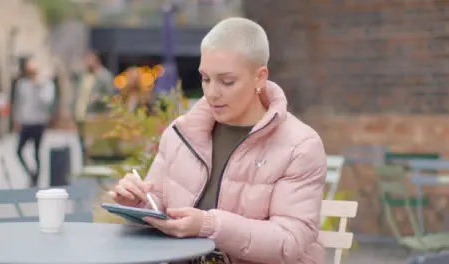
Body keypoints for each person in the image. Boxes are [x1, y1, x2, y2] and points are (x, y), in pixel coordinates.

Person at [109, 17, 327, 264]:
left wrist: (209, 225)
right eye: (205, 79)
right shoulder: (181, 133)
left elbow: (290, 242)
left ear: (260, 77)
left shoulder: (300, 146)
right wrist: (137, 201)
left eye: (227, 81)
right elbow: (159, 205)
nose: (212, 92)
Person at [12, 57, 55, 187]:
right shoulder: (22, 84)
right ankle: (30, 172)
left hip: (38, 122)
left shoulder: (45, 84)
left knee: (37, 152)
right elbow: (19, 103)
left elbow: (48, 102)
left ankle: (36, 178)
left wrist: (37, 87)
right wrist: (17, 119)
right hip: (26, 121)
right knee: (19, 150)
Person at [72, 50, 114, 163]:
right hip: (81, 116)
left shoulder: (105, 76)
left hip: (95, 117)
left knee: (92, 146)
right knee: (82, 145)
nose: (86, 62)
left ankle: (93, 165)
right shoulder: (83, 75)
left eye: (89, 59)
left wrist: (97, 99)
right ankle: (85, 164)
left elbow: (109, 97)